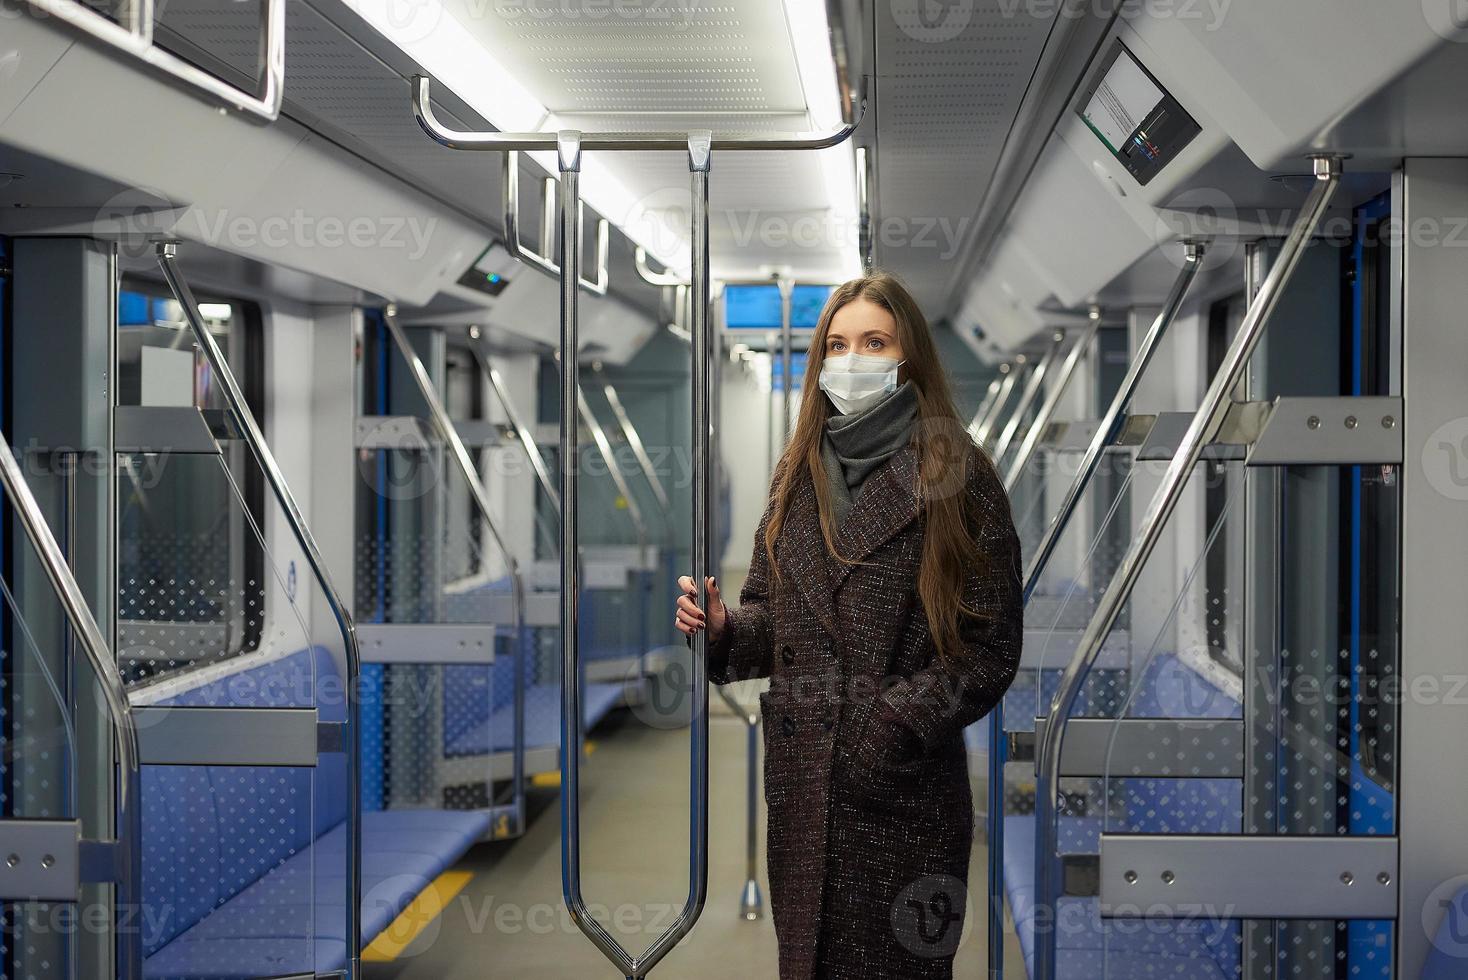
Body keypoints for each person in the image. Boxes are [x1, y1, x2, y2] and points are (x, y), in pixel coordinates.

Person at [675, 270, 1023, 979]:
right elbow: (776, 616)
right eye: (837, 344)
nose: (853, 359)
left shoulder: (960, 477)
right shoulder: (795, 475)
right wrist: (723, 630)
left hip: (902, 792)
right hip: (805, 788)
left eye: (874, 341)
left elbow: (989, 649)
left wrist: (891, 725)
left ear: (908, 358)